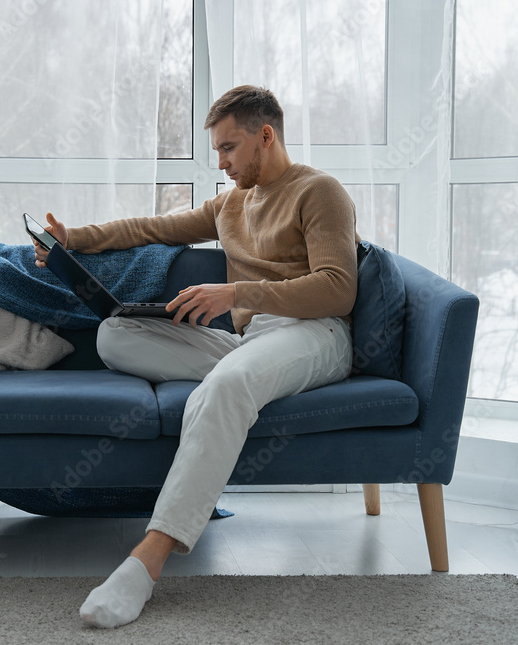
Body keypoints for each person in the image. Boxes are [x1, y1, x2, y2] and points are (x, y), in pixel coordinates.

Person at [33, 85, 360, 628]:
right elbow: (150, 228)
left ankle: (147, 561)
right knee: (116, 334)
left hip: (315, 334)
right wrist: (73, 241)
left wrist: (236, 294)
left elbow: (337, 289)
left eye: (229, 148)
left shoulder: (320, 192)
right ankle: (238, 381)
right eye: (216, 151)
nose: (222, 162)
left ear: (266, 135)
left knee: (226, 386)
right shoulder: (234, 202)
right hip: (252, 341)